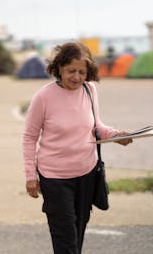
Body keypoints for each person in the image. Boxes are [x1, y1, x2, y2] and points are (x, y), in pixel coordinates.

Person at [22, 41, 132, 254]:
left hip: (86, 174)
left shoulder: (90, 90)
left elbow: (96, 126)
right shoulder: (43, 97)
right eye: (71, 70)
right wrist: (30, 176)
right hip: (54, 178)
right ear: (59, 68)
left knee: (77, 237)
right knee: (66, 241)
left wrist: (116, 135)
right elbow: (29, 138)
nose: (77, 77)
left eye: (82, 72)